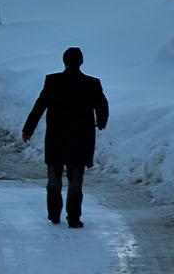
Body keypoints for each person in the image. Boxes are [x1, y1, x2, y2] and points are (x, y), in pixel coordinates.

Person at [21, 47, 109, 228]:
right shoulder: (92, 83)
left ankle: (54, 214)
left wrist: (28, 129)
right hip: (80, 139)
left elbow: (39, 106)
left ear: (64, 61)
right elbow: (102, 105)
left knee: (54, 179)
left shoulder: (53, 81)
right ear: (81, 62)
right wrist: (101, 121)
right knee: (75, 180)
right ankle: (74, 218)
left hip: (56, 139)